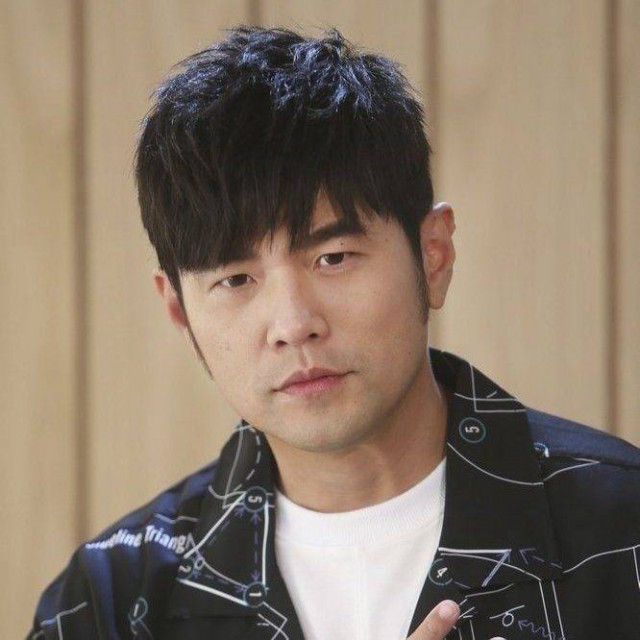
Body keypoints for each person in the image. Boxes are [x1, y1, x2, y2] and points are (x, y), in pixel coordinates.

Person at [28, 25, 640, 640]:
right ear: (179, 310)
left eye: (334, 258)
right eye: (236, 279)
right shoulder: (111, 602)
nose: (294, 325)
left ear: (433, 256)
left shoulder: (622, 529)